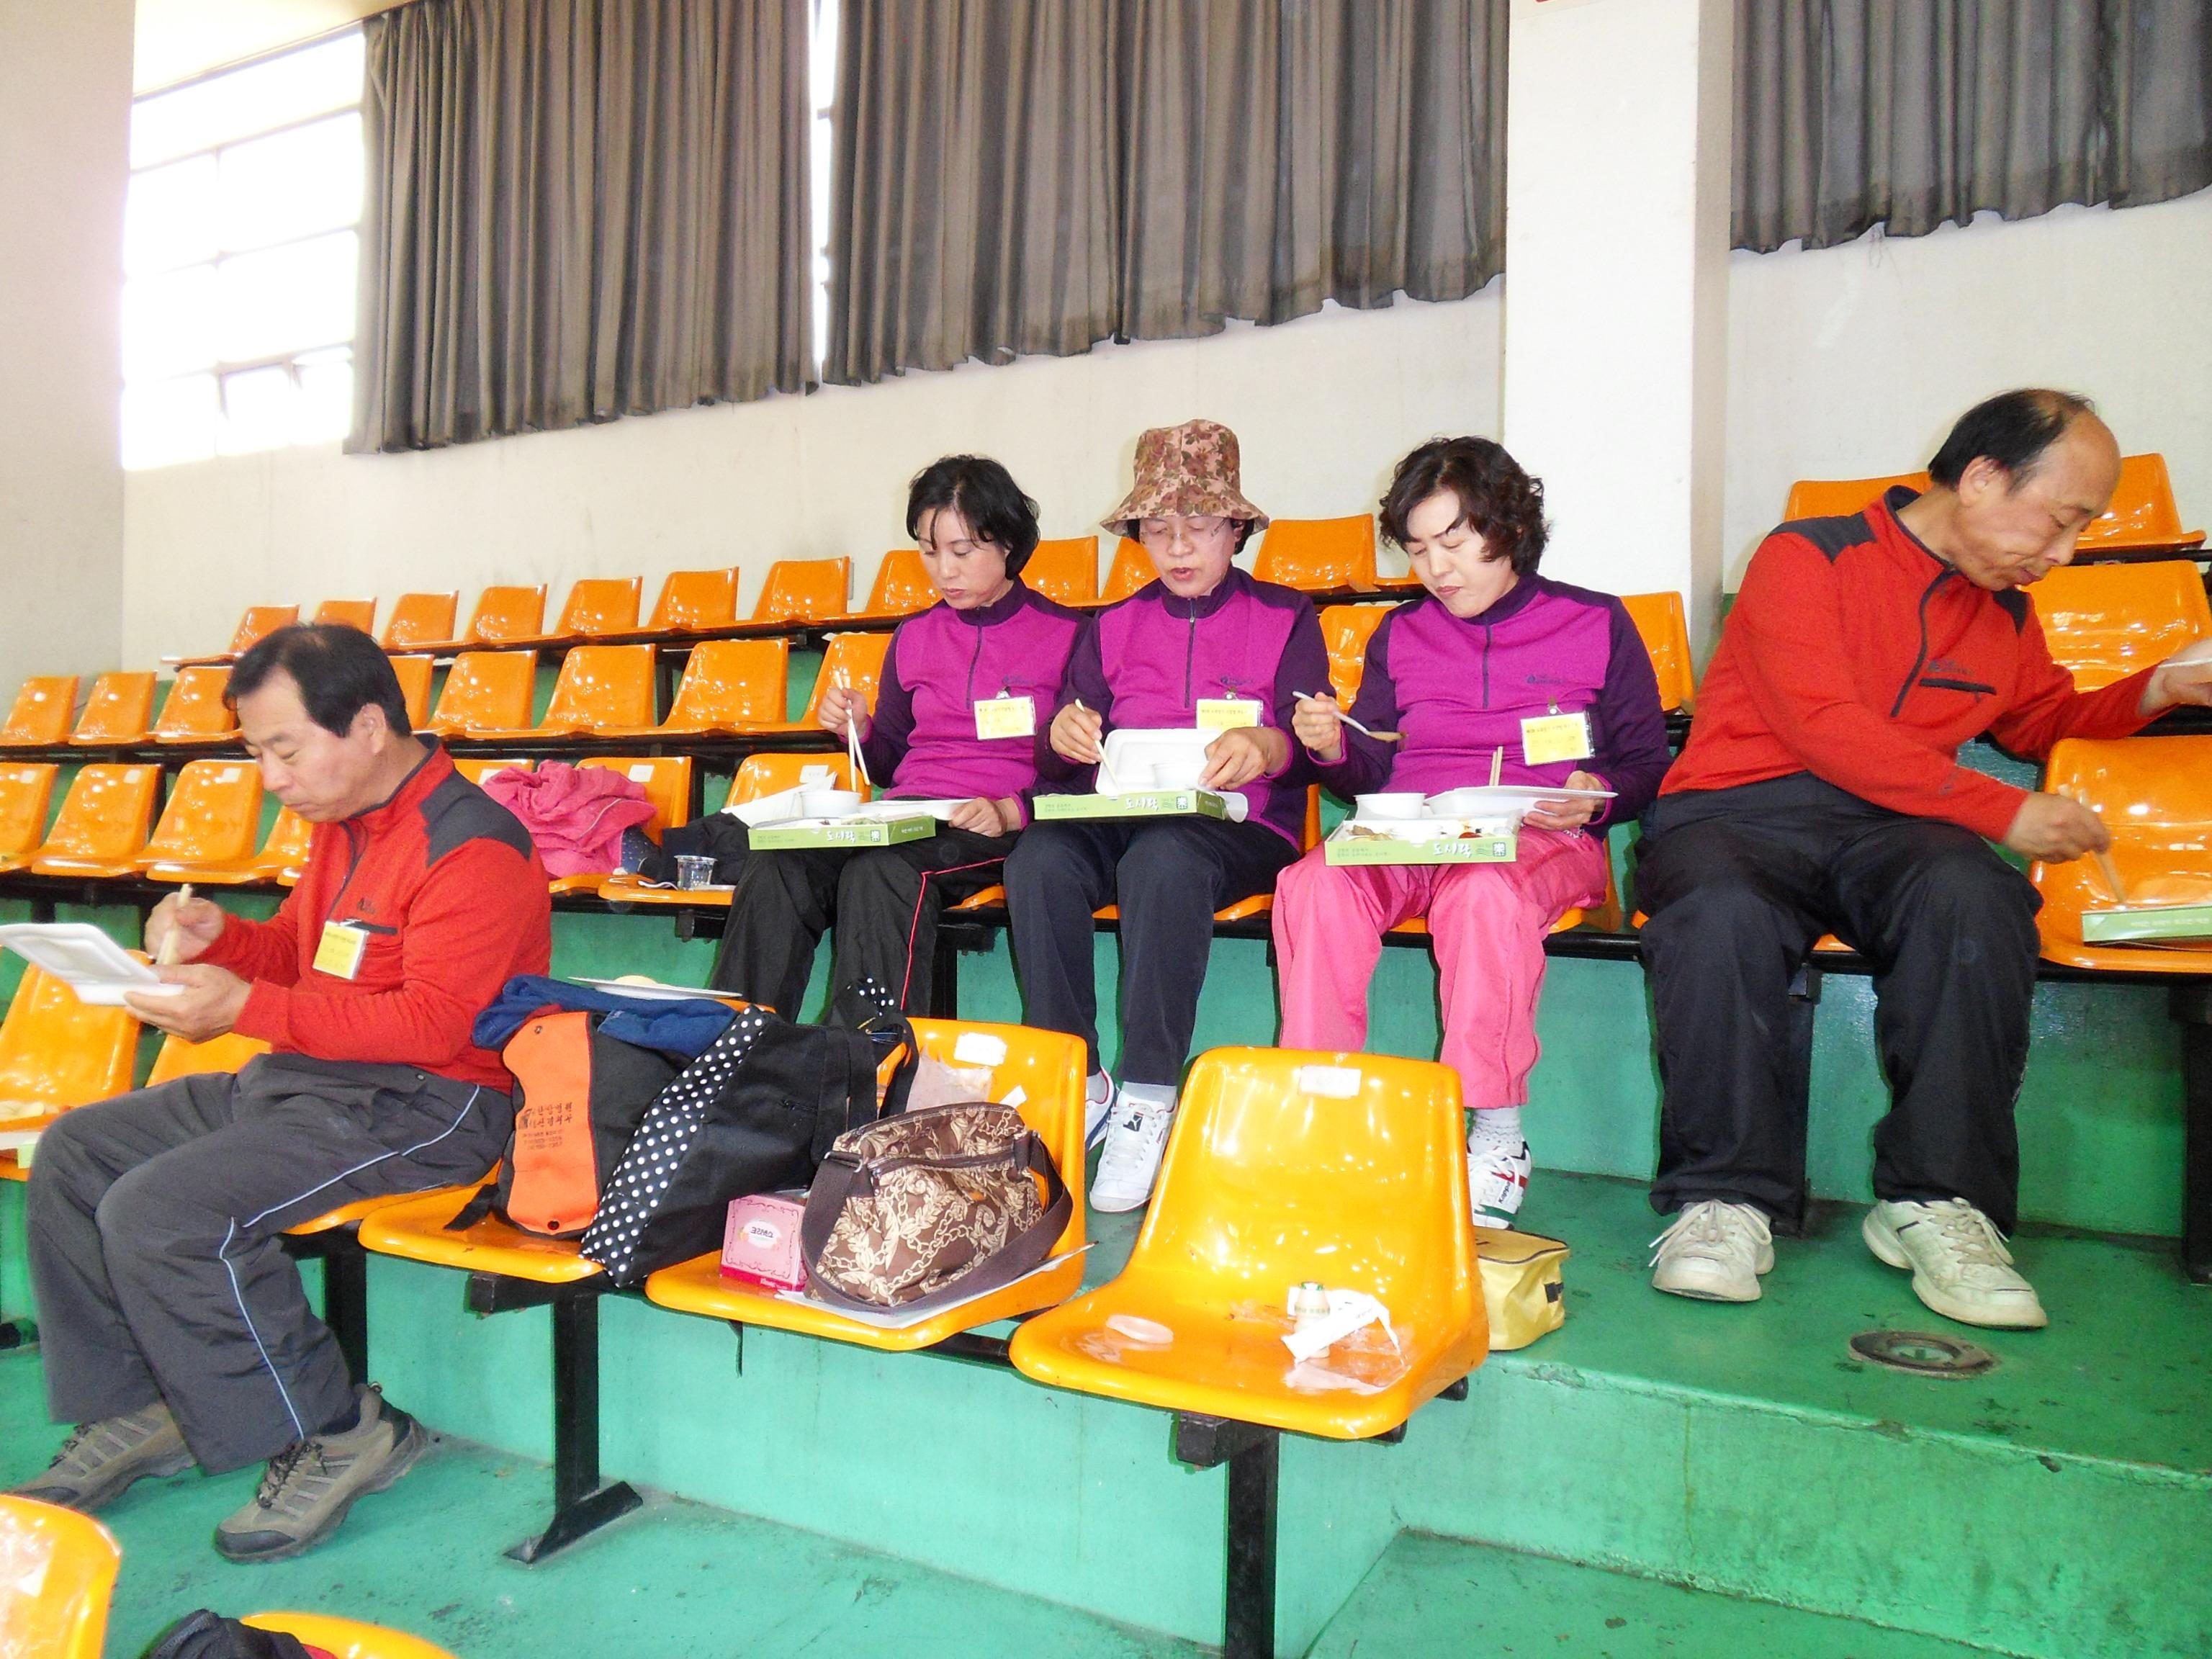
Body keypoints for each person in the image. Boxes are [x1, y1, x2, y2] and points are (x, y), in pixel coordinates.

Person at [1638, 390, 2212, 1328]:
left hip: (1893, 825)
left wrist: (2161, 687)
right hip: (1738, 810)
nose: (2065, 553)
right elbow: (1824, 725)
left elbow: (2041, 720)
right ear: (1982, 478)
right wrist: (2005, 810)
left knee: (1975, 900)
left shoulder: (2007, 613)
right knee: (1718, 914)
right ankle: (1723, 1200)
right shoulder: (1808, 555)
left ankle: (1939, 1201)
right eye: (2060, 520)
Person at [12, 623, 551, 1559]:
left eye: (285, 750)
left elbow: (439, 1026)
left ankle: (345, 1430)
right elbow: (304, 956)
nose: (270, 777)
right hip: (312, 1083)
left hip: (429, 1107)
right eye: (258, 752)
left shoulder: (473, 848)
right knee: (74, 1152)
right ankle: (143, 1404)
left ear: (369, 727)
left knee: (163, 1211)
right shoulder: (344, 826)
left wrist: (244, 1006)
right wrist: (222, 938)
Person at [1273, 437, 1670, 1227]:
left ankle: (1496, 1131)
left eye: (1454, 542)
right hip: (1416, 832)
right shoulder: (1400, 634)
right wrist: (1332, 749)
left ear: (1509, 526)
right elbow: (1371, 772)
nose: (1436, 569)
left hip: (1540, 835)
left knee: (1483, 894)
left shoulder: (1595, 621)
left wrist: (1599, 795)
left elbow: (1646, 764)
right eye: (1419, 549)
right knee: (1312, 883)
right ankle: (1322, 1115)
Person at [1005, 418, 1328, 1212]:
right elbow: (1060, 757)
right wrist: (1063, 737)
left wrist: (1270, 744)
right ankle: (1079, 1078)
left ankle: (1148, 1095)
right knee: (1038, 858)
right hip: (1119, 813)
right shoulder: (1111, 625)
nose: (1179, 547)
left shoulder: (1288, 616)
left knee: (1164, 858)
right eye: (1158, 529)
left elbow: (1313, 747)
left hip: (1238, 825)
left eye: (1201, 525)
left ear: (1237, 529)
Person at [711, 456, 1083, 1017]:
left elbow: (1085, 770)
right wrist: (859, 730)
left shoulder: (1069, 635)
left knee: (880, 872)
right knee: (779, 865)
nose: (944, 570)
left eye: (962, 551)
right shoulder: (914, 635)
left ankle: (870, 1057)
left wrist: (1014, 810)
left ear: (1008, 542)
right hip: (904, 816)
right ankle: (736, 1046)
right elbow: (888, 762)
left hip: (988, 822)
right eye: (930, 551)